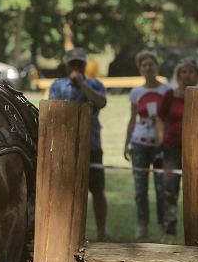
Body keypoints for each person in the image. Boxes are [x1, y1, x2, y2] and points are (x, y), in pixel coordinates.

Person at [48, 48, 110, 241]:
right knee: (65, 192)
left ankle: (101, 233)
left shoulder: (96, 84)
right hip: (65, 148)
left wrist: (82, 84)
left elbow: (100, 102)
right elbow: (54, 110)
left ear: (84, 65)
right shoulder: (57, 86)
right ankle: (66, 234)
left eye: (79, 64)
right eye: (72, 64)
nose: (75, 67)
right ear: (67, 66)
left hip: (92, 146)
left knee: (97, 190)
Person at [124, 51, 172, 239]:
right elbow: (132, 119)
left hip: (161, 144)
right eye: (144, 65)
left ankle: (164, 226)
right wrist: (127, 143)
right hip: (139, 144)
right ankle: (142, 225)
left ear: (157, 66)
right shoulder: (136, 92)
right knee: (140, 189)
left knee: (162, 188)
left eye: (151, 64)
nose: (148, 68)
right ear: (140, 69)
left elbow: (173, 117)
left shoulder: (167, 90)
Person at [156, 59, 198, 243]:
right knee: (169, 189)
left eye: (191, 72)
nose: (187, 75)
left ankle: (197, 229)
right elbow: (160, 117)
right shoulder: (170, 94)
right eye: (183, 72)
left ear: (197, 75)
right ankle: (169, 229)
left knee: (196, 191)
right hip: (172, 149)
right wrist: (161, 138)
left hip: (195, 150)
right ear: (178, 75)